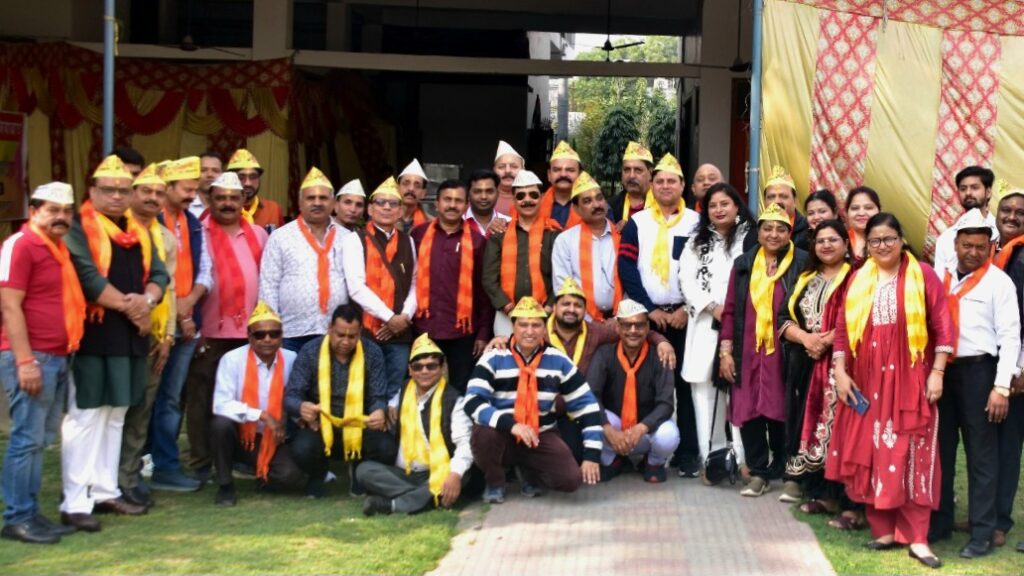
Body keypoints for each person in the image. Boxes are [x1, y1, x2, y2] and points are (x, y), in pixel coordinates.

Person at [827, 212, 952, 569]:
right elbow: (842, 329)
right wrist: (840, 371)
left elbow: (943, 327)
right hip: (866, 380)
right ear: (866, 245)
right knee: (873, 450)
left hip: (911, 378)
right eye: (875, 240)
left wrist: (937, 372)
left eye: (889, 239)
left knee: (912, 452)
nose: (882, 246)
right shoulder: (858, 279)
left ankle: (918, 538)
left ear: (901, 240)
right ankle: (883, 529)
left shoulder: (922, 274)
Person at [62, 155, 169, 530]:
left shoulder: (138, 229)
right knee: (87, 417)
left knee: (117, 414)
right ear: (92, 191)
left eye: (124, 190)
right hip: (94, 336)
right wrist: (133, 307)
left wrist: (147, 302)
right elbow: (88, 278)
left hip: (130, 337)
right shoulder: (78, 227)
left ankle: (105, 491)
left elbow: (159, 274)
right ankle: (75, 501)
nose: (117, 197)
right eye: (109, 190)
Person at [928, 209, 1020, 559]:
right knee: (941, 450)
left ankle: (982, 532)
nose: (973, 252)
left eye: (981, 247)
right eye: (967, 245)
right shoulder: (942, 277)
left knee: (982, 455)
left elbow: (1010, 337)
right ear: (956, 243)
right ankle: (940, 521)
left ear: (991, 246)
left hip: (980, 373)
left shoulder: (999, 283)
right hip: (943, 371)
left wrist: (1001, 387)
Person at [0, 182, 83, 544]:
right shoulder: (20, 244)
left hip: (57, 355)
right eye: (52, 210)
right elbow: (9, 305)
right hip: (33, 357)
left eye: (66, 211)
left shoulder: (57, 247)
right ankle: (17, 517)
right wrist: (25, 361)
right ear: (33, 211)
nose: (61, 217)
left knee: (40, 439)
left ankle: (30, 513)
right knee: (26, 439)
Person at [465, 297, 603, 503]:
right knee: (485, 433)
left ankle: (530, 471)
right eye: (523, 325)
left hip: (540, 433)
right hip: (502, 432)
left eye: (536, 325)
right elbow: (472, 401)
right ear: (513, 327)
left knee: (570, 481)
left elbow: (587, 406)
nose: (530, 331)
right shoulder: (493, 357)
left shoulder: (558, 360)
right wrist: (512, 426)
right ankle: (495, 480)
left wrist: (592, 455)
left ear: (544, 329)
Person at [619, 152, 702, 477]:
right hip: (646, 318)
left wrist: (686, 308)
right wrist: (648, 309)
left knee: (685, 385)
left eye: (672, 181)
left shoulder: (696, 222)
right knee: (645, 384)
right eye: (661, 181)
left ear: (682, 185)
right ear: (652, 185)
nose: (666, 186)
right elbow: (626, 267)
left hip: (685, 317)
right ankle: (641, 451)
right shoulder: (638, 222)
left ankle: (688, 453)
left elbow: (702, 270)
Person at [184, 171, 268, 483]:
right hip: (209, 333)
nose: (228, 203)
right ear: (210, 199)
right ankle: (201, 461)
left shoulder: (257, 234)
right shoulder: (197, 232)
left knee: (245, 398)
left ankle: (239, 457)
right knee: (202, 399)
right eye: (221, 198)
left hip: (250, 334)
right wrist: (193, 326)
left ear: (243, 199)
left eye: (234, 198)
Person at [719, 202, 808, 497]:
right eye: (767, 228)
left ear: (790, 233)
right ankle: (758, 472)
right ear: (758, 233)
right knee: (750, 411)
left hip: (785, 352)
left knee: (785, 409)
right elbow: (730, 310)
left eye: (780, 229)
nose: (773, 234)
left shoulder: (802, 262)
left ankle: (790, 471)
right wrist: (726, 353)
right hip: (748, 352)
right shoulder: (743, 264)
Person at [679, 183, 753, 481]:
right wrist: (712, 307)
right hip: (705, 324)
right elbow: (686, 279)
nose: (719, 209)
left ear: (737, 206)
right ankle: (711, 460)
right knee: (704, 395)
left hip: (743, 326)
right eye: (713, 205)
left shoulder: (751, 238)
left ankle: (745, 460)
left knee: (739, 393)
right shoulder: (695, 241)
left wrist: (734, 311)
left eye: (725, 203)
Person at [779, 220, 852, 508]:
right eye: (820, 240)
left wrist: (828, 339)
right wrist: (806, 339)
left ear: (846, 243)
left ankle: (837, 495)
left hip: (841, 363)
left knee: (837, 426)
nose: (826, 245)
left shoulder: (855, 278)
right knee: (804, 421)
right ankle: (814, 489)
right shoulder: (805, 277)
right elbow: (783, 318)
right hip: (804, 363)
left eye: (833, 239)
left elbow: (859, 316)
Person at [284, 303, 393, 498]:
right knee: (301, 449)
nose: (345, 342)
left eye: (352, 336)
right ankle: (318, 475)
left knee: (387, 449)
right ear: (330, 329)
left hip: (359, 424)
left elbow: (378, 395)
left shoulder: (372, 352)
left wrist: (378, 410)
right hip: (321, 424)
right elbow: (292, 395)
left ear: (360, 332)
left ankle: (359, 470)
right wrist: (302, 407)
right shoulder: (310, 351)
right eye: (340, 335)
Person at [150, 156, 212, 493]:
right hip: (158, 326)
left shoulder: (193, 223)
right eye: (186, 189)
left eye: (194, 189)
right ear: (168, 187)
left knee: (171, 398)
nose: (192, 195)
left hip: (187, 323)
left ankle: (165, 465)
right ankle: (139, 463)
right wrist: (181, 314)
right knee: (146, 399)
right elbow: (157, 276)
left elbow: (206, 271)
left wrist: (189, 306)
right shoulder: (151, 222)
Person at [358, 334, 473, 516]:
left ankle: (392, 505)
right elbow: (391, 402)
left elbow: (464, 443)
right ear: (410, 370)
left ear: (442, 368)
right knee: (364, 471)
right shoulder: (404, 390)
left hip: (438, 470)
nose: (424, 371)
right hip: (404, 473)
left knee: (461, 474)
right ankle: (430, 496)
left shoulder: (455, 400)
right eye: (418, 367)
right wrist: (389, 407)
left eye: (431, 366)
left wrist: (454, 475)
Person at [118, 163, 179, 508]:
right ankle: (106, 481)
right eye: (147, 191)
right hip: (118, 334)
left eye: (159, 193)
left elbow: (168, 289)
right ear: (132, 194)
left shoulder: (166, 237)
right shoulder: (115, 229)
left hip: (154, 336)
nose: (153, 198)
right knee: (115, 411)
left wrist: (167, 337)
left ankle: (128, 478)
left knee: (141, 411)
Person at [210, 302, 305, 506]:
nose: (267, 339)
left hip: (274, 437)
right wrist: (262, 415)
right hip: (240, 436)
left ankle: (262, 474)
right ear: (249, 336)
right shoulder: (232, 360)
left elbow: (296, 397)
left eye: (274, 334)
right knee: (220, 425)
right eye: (260, 335)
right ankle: (225, 485)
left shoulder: (291, 359)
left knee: (290, 476)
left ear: (282, 336)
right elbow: (220, 404)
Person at [410, 179, 494, 394]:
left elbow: (483, 290)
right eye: (447, 199)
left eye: (458, 201)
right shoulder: (418, 235)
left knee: (460, 390)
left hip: (463, 331)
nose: (452, 205)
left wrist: (483, 332)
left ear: (466, 206)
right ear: (436, 203)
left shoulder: (477, 241)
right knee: (421, 387)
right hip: (423, 326)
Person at [341, 176, 418, 405]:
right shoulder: (355, 240)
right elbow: (356, 287)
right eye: (380, 202)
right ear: (370, 209)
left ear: (400, 211)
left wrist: (404, 317)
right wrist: (390, 318)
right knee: (364, 390)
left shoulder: (408, 241)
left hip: (400, 333)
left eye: (393, 203)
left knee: (394, 392)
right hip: (366, 331)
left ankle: (389, 428)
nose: (386, 207)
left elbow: (415, 282)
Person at [587, 299, 680, 483]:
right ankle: (612, 460)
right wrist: (608, 429)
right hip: (615, 431)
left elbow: (666, 404)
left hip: (646, 430)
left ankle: (652, 462)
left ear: (648, 328)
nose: (633, 330)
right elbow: (591, 395)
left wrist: (642, 427)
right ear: (617, 328)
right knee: (593, 420)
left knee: (669, 435)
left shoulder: (660, 355)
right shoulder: (604, 354)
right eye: (627, 325)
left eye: (639, 325)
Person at [259, 167, 348, 353]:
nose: (317, 203)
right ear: (300, 203)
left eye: (323, 198)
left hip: (336, 333)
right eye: (310, 198)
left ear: (333, 203)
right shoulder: (280, 237)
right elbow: (268, 285)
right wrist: (272, 329)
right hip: (291, 333)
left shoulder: (347, 238)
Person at [482, 170, 561, 336]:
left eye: (533, 195)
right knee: (506, 353)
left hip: (547, 314)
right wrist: (509, 309)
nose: (527, 200)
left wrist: (547, 309)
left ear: (541, 198)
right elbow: (489, 278)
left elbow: (562, 277)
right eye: (520, 196)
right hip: (507, 314)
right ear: (514, 200)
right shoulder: (499, 234)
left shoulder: (555, 234)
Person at [990, 183, 1024, 550]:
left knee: (1008, 447)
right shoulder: (993, 250)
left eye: (1020, 213)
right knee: (990, 445)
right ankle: (987, 514)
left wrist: (1019, 369)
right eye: (1006, 210)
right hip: (995, 363)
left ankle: (999, 520)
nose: (1012, 216)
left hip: (1016, 370)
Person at [552, 171, 621, 322]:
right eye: (587, 201)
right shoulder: (565, 241)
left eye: (599, 198)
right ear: (576, 209)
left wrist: (618, 319)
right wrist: (590, 321)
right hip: (581, 321)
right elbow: (563, 287)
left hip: (620, 321)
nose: (596, 205)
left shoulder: (621, 236)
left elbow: (630, 280)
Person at [933, 166, 997, 274]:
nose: (968, 193)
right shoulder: (946, 238)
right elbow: (939, 279)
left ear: (988, 192)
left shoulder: (1001, 231)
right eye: (963, 189)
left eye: (974, 188)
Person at [227, 148, 284, 232]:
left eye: (253, 177)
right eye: (241, 177)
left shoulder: (273, 209)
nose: (248, 183)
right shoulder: (222, 211)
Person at [759, 166, 810, 252]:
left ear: (795, 200)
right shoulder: (755, 231)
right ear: (764, 202)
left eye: (783, 196)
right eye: (771, 197)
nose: (777, 201)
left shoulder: (808, 230)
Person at [538, 141, 583, 229]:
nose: (563, 174)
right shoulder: (534, 205)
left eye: (570, 170)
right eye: (557, 170)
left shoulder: (595, 206)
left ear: (579, 175)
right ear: (549, 175)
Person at [609, 141, 653, 225]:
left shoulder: (664, 203)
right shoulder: (611, 207)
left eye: (638, 170)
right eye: (627, 170)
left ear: (650, 173)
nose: (631, 176)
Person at [464, 169, 511, 237]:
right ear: (468, 194)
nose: (484, 197)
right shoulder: (457, 224)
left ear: (497, 194)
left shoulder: (508, 224)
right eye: (477, 191)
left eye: (489, 191)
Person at [844, 187, 881, 267]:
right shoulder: (840, 241)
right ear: (847, 213)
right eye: (855, 208)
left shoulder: (891, 240)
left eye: (868, 208)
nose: (861, 213)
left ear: (879, 211)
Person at [397, 159, 432, 232]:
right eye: (406, 184)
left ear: (423, 193)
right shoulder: (385, 218)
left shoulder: (431, 224)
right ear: (397, 188)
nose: (411, 189)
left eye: (417, 186)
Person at [493, 140, 524, 217]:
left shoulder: (534, 198)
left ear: (523, 170)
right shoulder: (483, 197)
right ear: (494, 171)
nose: (507, 171)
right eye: (501, 167)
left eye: (514, 166)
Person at [188, 151, 223, 220]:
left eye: (215, 171)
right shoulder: (186, 205)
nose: (210, 175)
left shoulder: (228, 206)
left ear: (222, 175)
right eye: (203, 170)